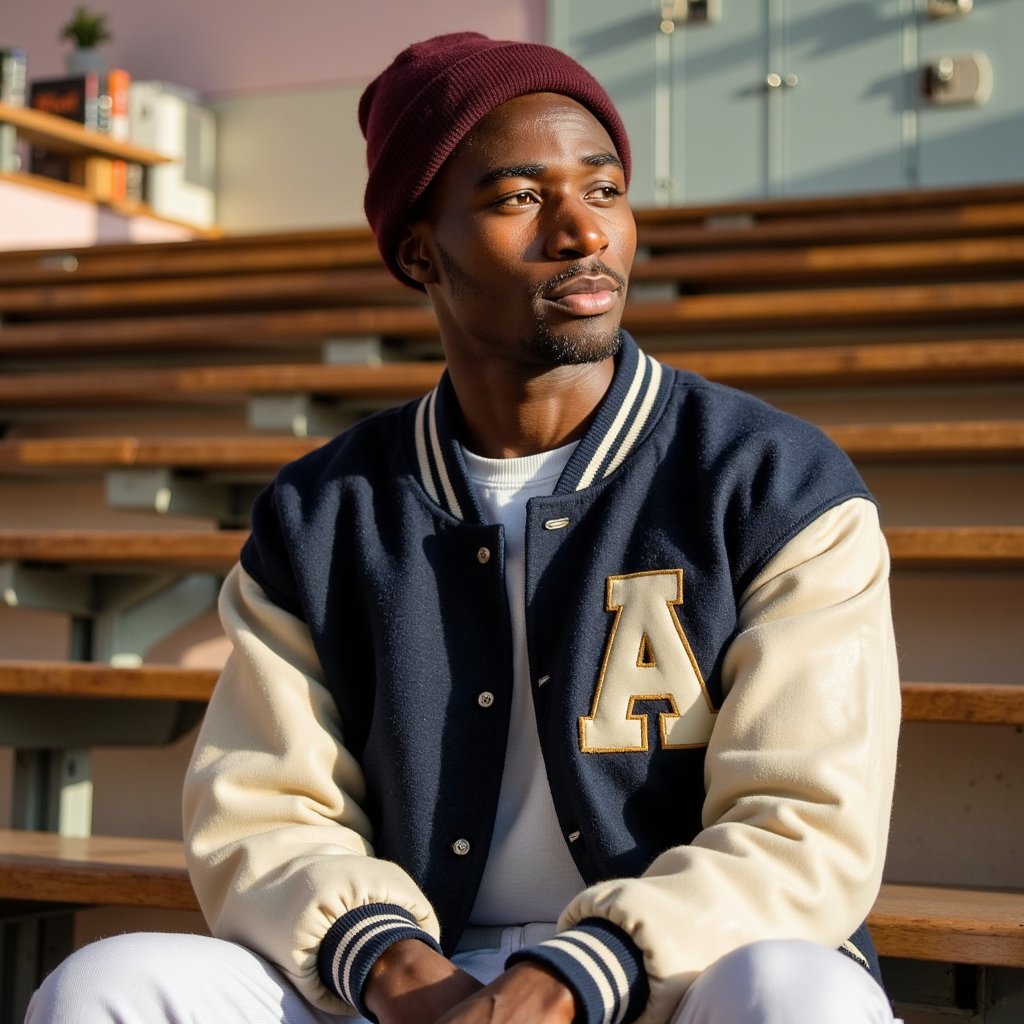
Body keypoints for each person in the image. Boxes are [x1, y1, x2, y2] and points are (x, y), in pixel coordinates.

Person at [28, 31, 902, 1024]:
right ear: (417, 251)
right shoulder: (325, 511)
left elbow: (802, 824)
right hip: (411, 980)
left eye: (604, 189)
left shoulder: (771, 478)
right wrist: (400, 974)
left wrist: (577, 974)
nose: (581, 232)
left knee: (803, 993)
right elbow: (262, 810)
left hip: (675, 976)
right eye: (519, 198)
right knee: (109, 987)